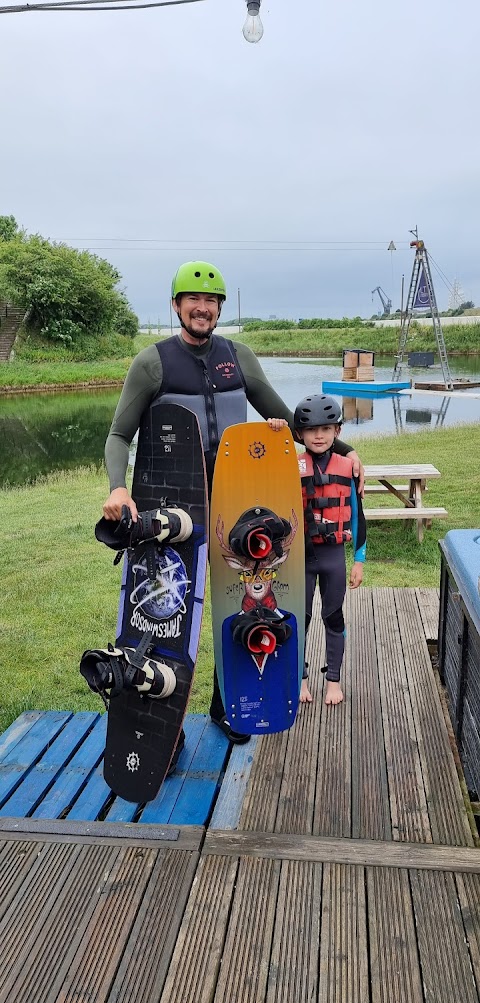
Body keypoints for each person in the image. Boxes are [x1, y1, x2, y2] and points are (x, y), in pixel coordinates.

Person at [102, 261, 364, 743]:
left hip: (236, 503)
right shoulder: (152, 362)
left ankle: (225, 706)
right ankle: (161, 721)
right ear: (176, 305)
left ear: (220, 308)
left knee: (239, 605)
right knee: (165, 611)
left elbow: (287, 420)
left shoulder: (238, 357)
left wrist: (348, 453)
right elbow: (120, 433)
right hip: (172, 504)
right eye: (193, 300)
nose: (203, 308)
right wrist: (118, 486)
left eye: (212, 301)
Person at [294, 393, 366, 706]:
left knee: (334, 617)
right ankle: (300, 680)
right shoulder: (289, 465)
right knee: (299, 620)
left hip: (334, 557)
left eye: (326, 428)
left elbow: (358, 516)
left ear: (337, 431)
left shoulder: (348, 467)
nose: (319, 435)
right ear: (300, 434)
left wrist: (359, 561)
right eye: (311, 430)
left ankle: (333, 680)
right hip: (300, 559)